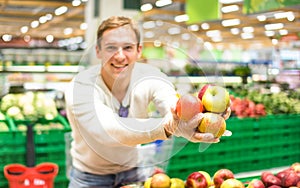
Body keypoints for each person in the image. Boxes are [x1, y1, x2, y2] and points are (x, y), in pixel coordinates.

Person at [64, 16, 231, 188]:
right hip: (89, 178)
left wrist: (199, 114)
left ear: (138, 50)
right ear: (98, 51)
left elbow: (170, 102)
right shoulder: (81, 86)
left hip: (133, 173)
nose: (120, 56)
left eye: (128, 47)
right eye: (111, 47)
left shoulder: (150, 76)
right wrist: (167, 127)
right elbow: (107, 130)